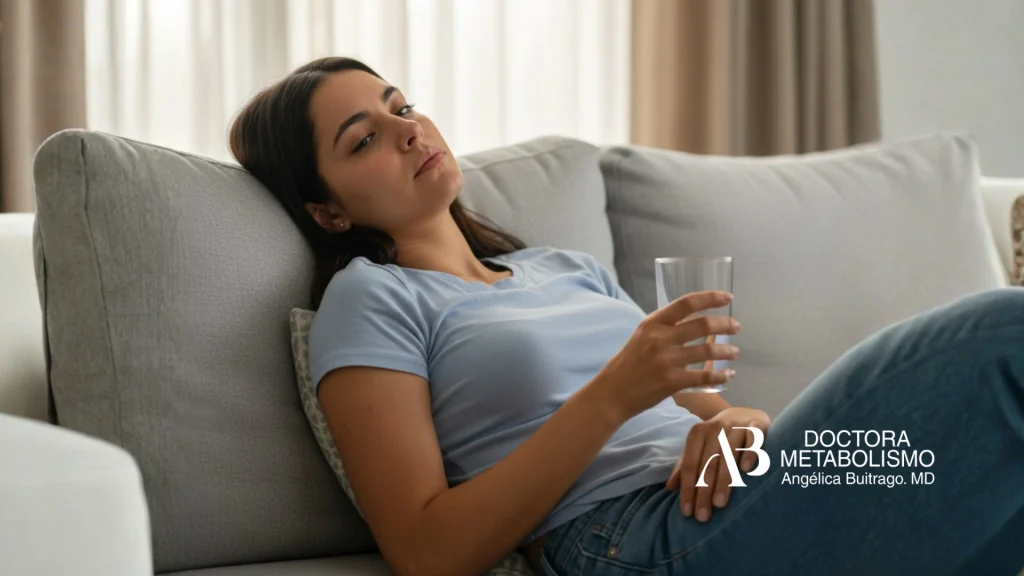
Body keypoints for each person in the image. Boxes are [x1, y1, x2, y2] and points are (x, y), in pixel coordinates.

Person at [228, 56, 1024, 576]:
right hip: (628, 540)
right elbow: (427, 550)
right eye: (365, 137)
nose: (408, 130)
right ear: (327, 210)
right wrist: (613, 392)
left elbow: (719, 410)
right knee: (998, 334)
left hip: (739, 492)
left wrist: (736, 422)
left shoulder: (563, 267)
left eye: (402, 106)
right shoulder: (373, 298)